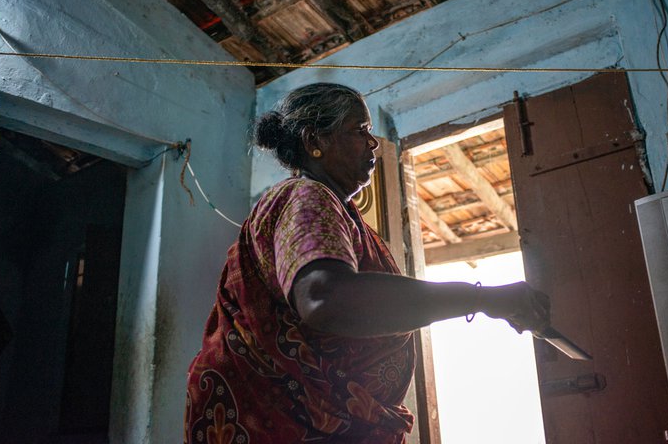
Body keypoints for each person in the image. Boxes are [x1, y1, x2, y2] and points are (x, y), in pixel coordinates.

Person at [184, 83, 550, 444]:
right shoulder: (307, 196)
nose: (373, 144)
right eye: (360, 131)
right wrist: (482, 299)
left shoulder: (334, 209)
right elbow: (326, 298)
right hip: (283, 423)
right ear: (316, 141)